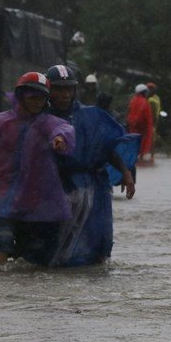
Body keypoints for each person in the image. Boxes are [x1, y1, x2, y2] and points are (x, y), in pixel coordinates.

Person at [0, 72, 75, 266]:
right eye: (33, 98)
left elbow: (63, 130)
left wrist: (59, 139)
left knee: (32, 255)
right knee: (4, 245)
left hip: (37, 203)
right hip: (3, 199)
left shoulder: (48, 124)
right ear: (21, 96)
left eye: (42, 98)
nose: (37, 103)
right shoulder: (0, 123)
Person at [44, 64, 136, 266]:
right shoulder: (39, 118)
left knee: (98, 237)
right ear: (48, 90)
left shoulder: (91, 115)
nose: (64, 94)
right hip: (56, 186)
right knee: (54, 239)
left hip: (94, 187)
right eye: (58, 89)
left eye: (68, 88)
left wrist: (126, 173)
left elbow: (106, 147)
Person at [127, 83, 154, 163]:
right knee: (143, 144)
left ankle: (135, 158)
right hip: (142, 127)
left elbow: (129, 113)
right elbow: (146, 116)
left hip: (133, 126)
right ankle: (141, 158)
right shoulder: (144, 102)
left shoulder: (132, 101)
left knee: (134, 143)